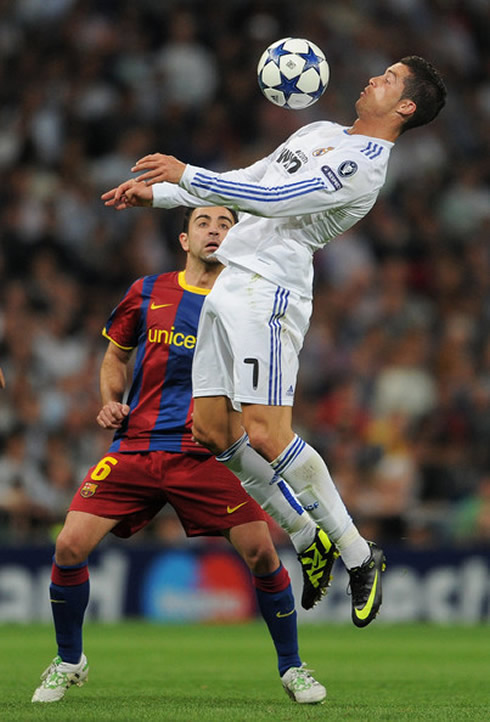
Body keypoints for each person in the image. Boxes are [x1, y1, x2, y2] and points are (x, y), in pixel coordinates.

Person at [102, 56, 447, 629]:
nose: (370, 79)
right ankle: (306, 534)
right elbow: (251, 183)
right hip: (228, 282)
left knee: (265, 433)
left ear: (405, 107)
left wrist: (185, 174)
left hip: (271, 292)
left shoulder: (365, 165)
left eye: (387, 79)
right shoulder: (319, 132)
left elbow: (279, 202)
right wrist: (163, 198)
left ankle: (361, 556)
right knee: (210, 432)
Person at [32, 205, 328, 706]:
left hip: (212, 453)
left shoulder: (249, 300)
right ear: (183, 239)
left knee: (260, 553)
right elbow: (115, 355)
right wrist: (110, 400)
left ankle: (293, 667)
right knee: (68, 547)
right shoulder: (147, 291)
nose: (214, 230)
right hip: (138, 446)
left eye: (225, 225)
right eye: (204, 223)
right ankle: (68, 660)